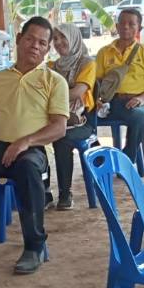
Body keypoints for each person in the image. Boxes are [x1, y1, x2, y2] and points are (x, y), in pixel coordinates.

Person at [0, 16, 68, 275]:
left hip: (32, 150)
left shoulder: (54, 81)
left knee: (27, 170)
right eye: (29, 39)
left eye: (42, 43)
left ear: (48, 49)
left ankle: (34, 246)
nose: (35, 46)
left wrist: (24, 142)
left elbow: (58, 127)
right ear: (18, 40)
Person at [93, 7, 144, 161]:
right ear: (116, 27)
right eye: (122, 23)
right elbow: (96, 81)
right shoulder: (104, 52)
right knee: (83, 119)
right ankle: (98, 158)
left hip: (135, 102)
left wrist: (142, 99)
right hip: (109, 103)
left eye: (131, 24)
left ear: (139, 28)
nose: (126, 27)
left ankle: (126, 159)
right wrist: (97, 100)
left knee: (140, 116)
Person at [49, 24, 96, 209]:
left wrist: (50, 96)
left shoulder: (87, 63)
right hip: (55, 117)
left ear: (74, 38)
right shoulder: (52, 66)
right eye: (55, 39)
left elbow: (77, 92)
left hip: (81, 121)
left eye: (63, 37)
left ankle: (65, 193)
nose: (58, 43)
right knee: (30, 135)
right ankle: (43, 191)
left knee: (62, 138)